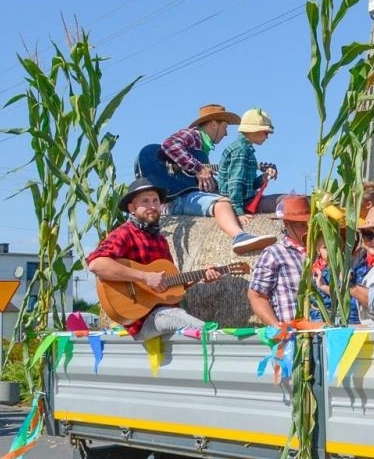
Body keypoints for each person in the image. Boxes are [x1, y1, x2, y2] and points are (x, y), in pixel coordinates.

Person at [86, 179, 221, 338]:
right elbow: (96, 264)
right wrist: (144, 277)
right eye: (145, 201)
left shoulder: (160, 241)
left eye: (155, 201)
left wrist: (201, 276)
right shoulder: (124, 234)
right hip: (142, 320)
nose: (152, 206)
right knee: (203, 329)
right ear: (132, 208)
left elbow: (169, 285)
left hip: (166, 312)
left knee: (178, 317)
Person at [153, 103, 275, 254]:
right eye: (224, 128)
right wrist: (198, 168)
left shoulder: (201, 150)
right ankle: (239, 236)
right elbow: (170, 145)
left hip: (187, 193)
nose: (226, 134)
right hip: (178, 199)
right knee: (223, 203)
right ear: (213, 125)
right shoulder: (194, 136)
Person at [246, 193, 310, 328]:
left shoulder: (321, 253)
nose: (308, 228)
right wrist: (276, 326)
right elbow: (256, 295)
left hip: (322, 332)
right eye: (302, 224)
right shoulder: (274, 254)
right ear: (287, 224)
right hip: (292, 336)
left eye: (310, 222)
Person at [217, 108, 278, 216]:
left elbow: (248, 185)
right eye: (266, 132)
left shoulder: (245, 150)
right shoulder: (241, 151)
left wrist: (263, 178)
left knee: (286, 200)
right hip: (240, 203)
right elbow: (235, 183)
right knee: (285, 200)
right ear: (253, 130)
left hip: (244, 200)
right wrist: (239, 212)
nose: (267, 137)